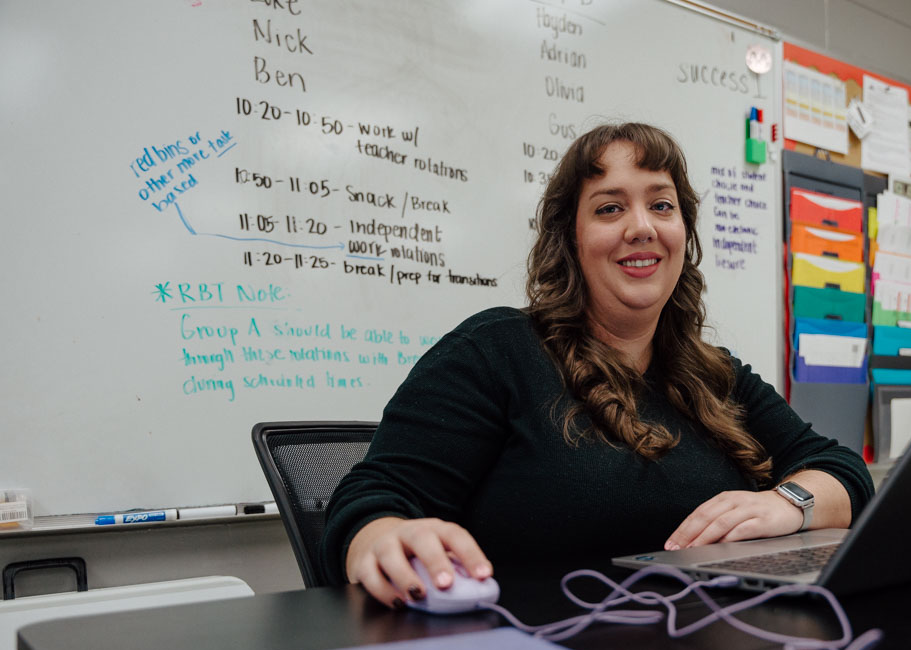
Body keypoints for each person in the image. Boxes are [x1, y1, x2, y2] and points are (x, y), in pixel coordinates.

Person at [321, 122, 874, 608]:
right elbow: (374, 496)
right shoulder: (496, 350)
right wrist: (382, 537)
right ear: (571, 239)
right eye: (610, 208)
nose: (642, 227)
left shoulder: (717, 374)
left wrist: (789, 503)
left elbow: (844, 472)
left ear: (684, 234)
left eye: (662, 205)